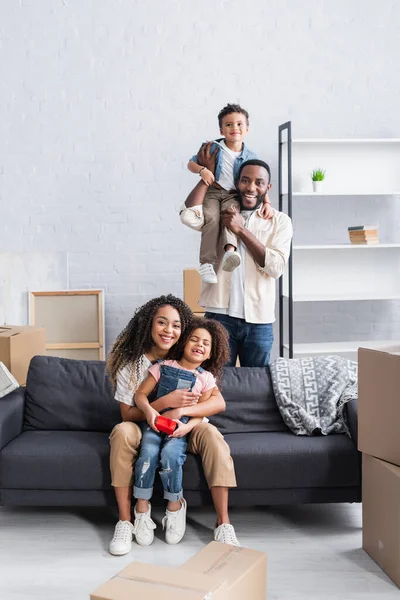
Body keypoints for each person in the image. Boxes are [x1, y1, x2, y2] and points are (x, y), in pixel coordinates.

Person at [106, 295, 238, 556]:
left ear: (185, 330)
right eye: (162, 323)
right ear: (149, 324)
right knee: (122, 433)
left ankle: (223, 523)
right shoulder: (134, 365)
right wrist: (164, 404)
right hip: (144, 422)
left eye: (177, 325)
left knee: (213, 436)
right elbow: (128, 413)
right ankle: (126, 520)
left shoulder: (192, 360)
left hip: (187, 424)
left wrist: (187, 415)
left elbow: (216, 401)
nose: (169, 331)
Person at [181, 150, 293, 367]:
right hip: (219, 316)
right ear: (236, 183)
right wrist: (205, 175)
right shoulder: (219, 211)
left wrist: (241, 230)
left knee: (256, 384)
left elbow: (276, 268)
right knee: (216, 383)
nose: (251, 187)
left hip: (259, 320)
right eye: (245, 180)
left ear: (267, 188)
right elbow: (188, 216)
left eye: (259, 182)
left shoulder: (280, 221)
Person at [132, 317, 230, 546]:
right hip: (155, 424)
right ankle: (142, 508)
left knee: (171, 457)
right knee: (147, 455)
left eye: (206, 344)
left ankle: (175, 506)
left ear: (209, 354)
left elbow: (199, 412)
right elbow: (140, 395)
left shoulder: (205, 379)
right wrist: (149, 412)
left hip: (180, 429)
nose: (200, 345)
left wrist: (186, 426)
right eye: (194, 339)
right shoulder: (162, 367)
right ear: (184, 342)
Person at [187, 103, 271, 284]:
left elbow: (259, 181)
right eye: (229, 125)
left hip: (232, 194)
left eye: (240, 124)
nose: (235, 128)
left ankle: (230, 253)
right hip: (213, 192)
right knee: (212, 219)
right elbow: (190, 164)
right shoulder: (212, 148)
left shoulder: (250, 155)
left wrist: (266, 203)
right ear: (221, 129)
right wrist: (202, 170)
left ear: (247, 129)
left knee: (231, 218)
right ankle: (206, 263)